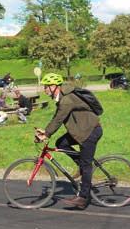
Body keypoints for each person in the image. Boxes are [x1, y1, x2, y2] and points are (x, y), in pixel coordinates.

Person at [35, 73, 102, 210]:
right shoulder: (62, 98)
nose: (44, 90)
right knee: (61, 143)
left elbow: (59, 119)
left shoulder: (67, 100)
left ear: (54, 86)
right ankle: (80, 164)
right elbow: (56, 116)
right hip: (81, 131)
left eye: (46, 87)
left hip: (90, 132)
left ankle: (83, 198)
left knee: (86, 165)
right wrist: (45, 131)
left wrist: (47, 133)